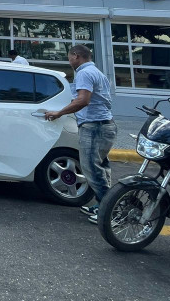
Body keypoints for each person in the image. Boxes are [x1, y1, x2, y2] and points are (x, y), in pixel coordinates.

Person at [44, 44, 117, 224]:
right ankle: (104, 203)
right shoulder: (96, 72)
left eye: (69, 57)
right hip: (104, 125)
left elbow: (83, 100)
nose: (69, 61)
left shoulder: (84, 73)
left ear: (76, 56)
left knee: (91, 167)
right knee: (101, 166)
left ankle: (110, 210)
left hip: (95, 126)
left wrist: (59, 112)